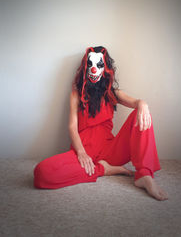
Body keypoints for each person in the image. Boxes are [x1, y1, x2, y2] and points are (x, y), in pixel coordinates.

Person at [34, 46, 168, 201]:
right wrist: (82, 153)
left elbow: (135, 102)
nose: (93, 69)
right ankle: (104, 169)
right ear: (85, 67)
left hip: (111, 151)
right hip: (84, 153)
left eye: (98, 65)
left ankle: (144, 175)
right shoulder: (76, 93)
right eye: (90, 65)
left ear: (105, 68)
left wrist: (142, 103)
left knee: (142, 112)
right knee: (41, 173)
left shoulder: (112, 92)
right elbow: (72, 126)